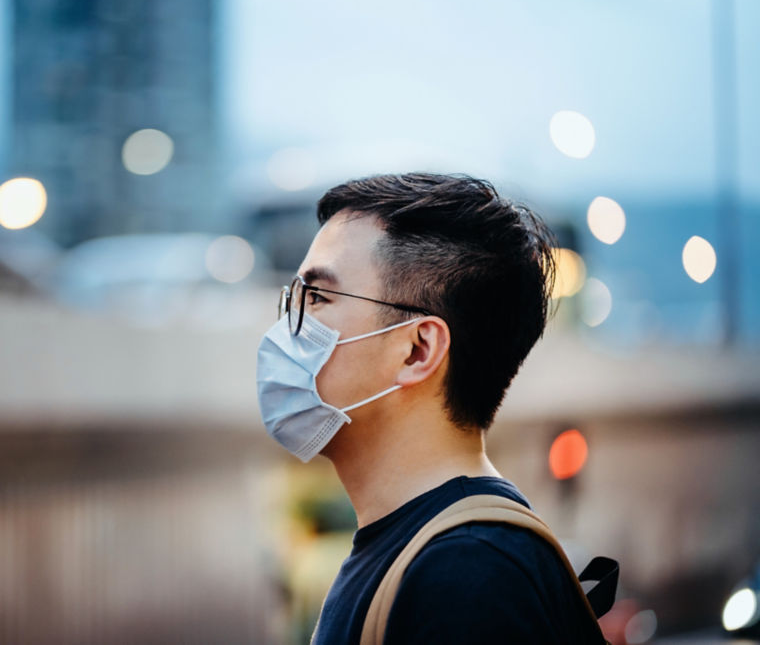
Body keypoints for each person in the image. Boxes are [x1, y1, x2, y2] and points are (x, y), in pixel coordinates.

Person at [256, 173, 607, 643]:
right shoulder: (424, 552)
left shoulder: (468, 571)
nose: (288, 329)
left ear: (418, 350)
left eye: (317, 297)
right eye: (294, 298)